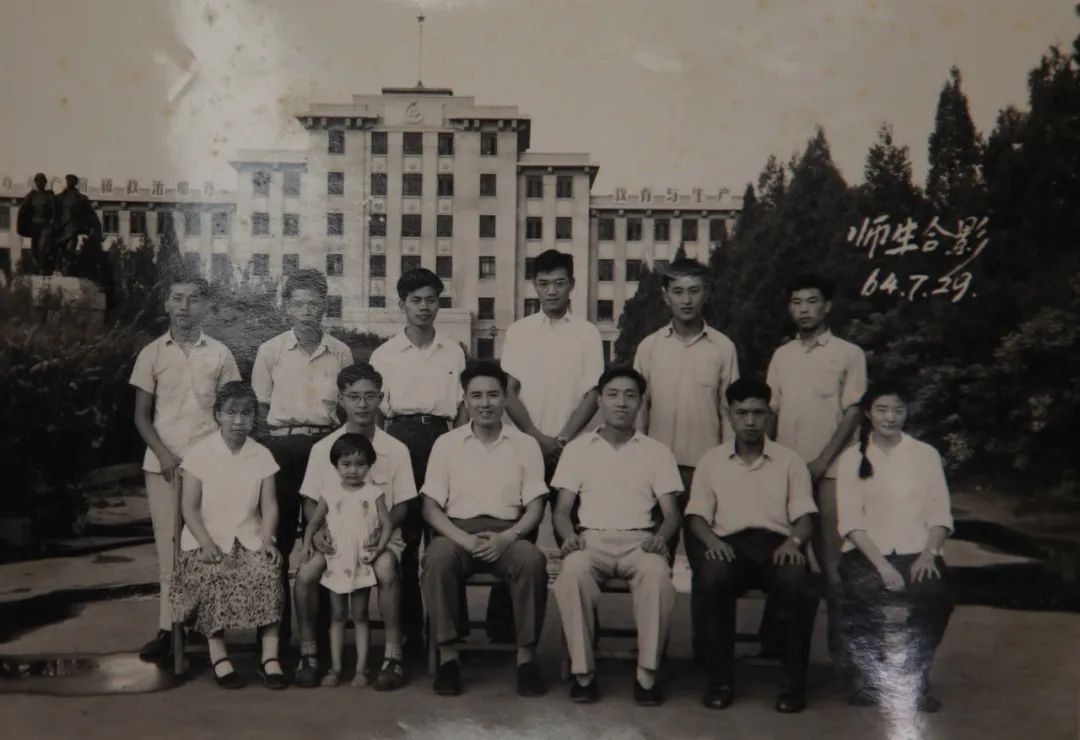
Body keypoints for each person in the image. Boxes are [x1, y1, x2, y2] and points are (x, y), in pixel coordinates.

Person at [551, 367, 682, 707]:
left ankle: (647, 675)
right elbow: (562, 511)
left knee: (658, 577)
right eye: (612, 395)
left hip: (640, 541)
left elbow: (671, 514)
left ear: (640, 402)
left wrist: (661, 538)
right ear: (599, 400)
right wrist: (568, 537)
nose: (621, 403)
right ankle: (583, 674)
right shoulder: (578, 449)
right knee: (572, 573)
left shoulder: (657, 452)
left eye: (630, 395)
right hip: (592, 539)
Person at [686, 378, 819, 713]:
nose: (750, 421)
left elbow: (805, 515)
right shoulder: (712, 461)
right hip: (730, 546)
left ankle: (792, 686)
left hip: (777, 544)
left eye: (758, 413)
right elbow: (697, 515)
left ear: (769, 416)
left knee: (798, 583)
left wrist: (794, 542)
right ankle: (719, 683)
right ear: (728, 414)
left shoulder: (789, 461)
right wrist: (712, 541)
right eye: (742, 413)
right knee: (711, 577)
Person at [420, 361, 549, 698]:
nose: (485, 403)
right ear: (465, 400)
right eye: (476, 396)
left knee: (532, 561)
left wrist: (508, 538)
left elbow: (536, 506)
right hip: (457, 532)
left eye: (493, 395)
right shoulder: (446, 444)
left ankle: (526, 660)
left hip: (507, 533)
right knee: (437, 560)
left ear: (505, 398)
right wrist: (463, 539)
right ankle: (448, 658)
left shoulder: (525, 444)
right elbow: (430, 507)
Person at [632, 257, 739, 659]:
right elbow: (639, 409)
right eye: (678, 291)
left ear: (707, 294)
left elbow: (729, 412)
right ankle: (652, 654)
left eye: (694, 290)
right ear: (665, 296)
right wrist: (639, 466)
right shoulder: (650, 347)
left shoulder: (723, 347)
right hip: (657, 474)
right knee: (653, 562)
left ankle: (706, 655)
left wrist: (725, 470)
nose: (686, 299)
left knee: (707, 565)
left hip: (704, 472)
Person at [130, 274, 240, 661]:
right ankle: (169, 628)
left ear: (205, 306)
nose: (185, 306)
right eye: (177, 298)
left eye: (193, 299)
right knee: (170, 550)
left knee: (208, 546)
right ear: (166, 304)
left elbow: (232, 412)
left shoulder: (221, 354)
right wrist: (163, 454)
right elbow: (141, 416)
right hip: (164, 466)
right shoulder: (152, 354)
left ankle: (209, 629)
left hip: (209, 469)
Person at [498, 248, 605, 640]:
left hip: (572, 449)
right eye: (543, 283)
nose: (551, 291)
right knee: (516, 533)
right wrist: (537, 438)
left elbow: (593, 393)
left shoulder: (587, 333)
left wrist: (562, 440)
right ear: (534, 286)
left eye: (559, 283)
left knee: (575, 534)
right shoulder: (520, 331)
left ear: (572, 284)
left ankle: (583, 632)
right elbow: (509, 391)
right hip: (526, 446)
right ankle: (504, 627)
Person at [293, 364, 417, 691]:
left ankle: (392, 656)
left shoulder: (396, 450)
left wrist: (382, 533)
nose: (362, 404)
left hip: (379, 537)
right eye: (354, 397)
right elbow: (310, 501)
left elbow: (403, 504)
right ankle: (309, 653)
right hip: (335, 537)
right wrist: (318, 533)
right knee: (305, 574)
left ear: (381, 398)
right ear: (341, 400)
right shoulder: (323, 449)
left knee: (386, 568)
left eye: (370, 396)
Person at [765, 273, 866, 672]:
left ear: (827, 306)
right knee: (783, 559)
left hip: (832, 472)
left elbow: (854, 411)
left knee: (834, 565)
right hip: (787, 473)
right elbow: (772, 412)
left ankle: (843, 657)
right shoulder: (782, 356)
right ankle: (777, 649)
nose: (804, 309)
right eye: (796, 302)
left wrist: (824, 460)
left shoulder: (848, 353)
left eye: (811, 301)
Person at [836, 380, 954, 713]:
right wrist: (883, 567)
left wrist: (929, 553)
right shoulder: (851, 458)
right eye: (882, 409)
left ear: (907, 412)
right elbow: (850, 523)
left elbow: (940, 514)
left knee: (934, 598)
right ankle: (871, 676)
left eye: (898, 410)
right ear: (869, 413)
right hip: (867, 555)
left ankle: (916, 679)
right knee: (861, 594)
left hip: (916, 552)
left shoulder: (924, 455)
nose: (890, 417)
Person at [252, 268, 354, 647]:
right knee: (277, 540)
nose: (307, 311)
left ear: (324, 306)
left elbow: (345, 409)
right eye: (299, 304)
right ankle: (274, 636)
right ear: (288, 307)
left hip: (324, 448)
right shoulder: (270, 351)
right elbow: (260, 410)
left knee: (325, 537)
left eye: (314, 304)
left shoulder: (340, 352)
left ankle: (323, 638)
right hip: (281, 448)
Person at [368, 268, 466, 648]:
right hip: (400, 440)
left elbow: (461, 407)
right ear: (402, 305)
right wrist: (382, 454)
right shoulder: (385, 354)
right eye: (416, 300)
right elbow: (377, 413)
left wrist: (458, 447)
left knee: (444, 536)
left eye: (431, 300)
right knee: (405, 538)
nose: (424, 307)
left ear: (439, 304)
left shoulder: (453, 351)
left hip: (442, 438)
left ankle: (447, 630)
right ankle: (409, 632)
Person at [168, 382, 287, 690]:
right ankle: (219, 655)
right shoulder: (200, 454)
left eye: (246, 413)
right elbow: (189, 507)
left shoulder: (261, 455)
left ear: (254, 417)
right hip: (205, 541)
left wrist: (268, 540)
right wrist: (206, 543)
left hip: (248, 538)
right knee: (214, 575)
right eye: (231, 413)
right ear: (217, 415)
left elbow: (269, 505)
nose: (238, 420)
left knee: (268, 571)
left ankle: (269, 657)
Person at [299, 433, 392, 688]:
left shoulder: (374, 493)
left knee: (360, 614)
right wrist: (306, 545)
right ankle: (336, 668)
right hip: (337, 561)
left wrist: (379, 547)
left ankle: (361, 668)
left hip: (360, 561)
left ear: (369, 465)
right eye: (346, 464)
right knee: (338, 615)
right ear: (336, 465)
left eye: (360, 464)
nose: (353, 470)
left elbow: (387, 524)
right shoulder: (329, 493)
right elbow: (314, 522)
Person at [15, 173, 55, 274]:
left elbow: (55, 210)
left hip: (45, 225)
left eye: (42, 181)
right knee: (34, 249)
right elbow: (24, 209)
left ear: (45, 182)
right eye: (38, 181)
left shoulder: (49, 195)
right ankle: (40, 266)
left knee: (43, 247)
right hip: (35, 225)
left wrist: (52, 222)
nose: (40, 183)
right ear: (35, 183)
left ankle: (42, 268)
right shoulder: (32, 195)